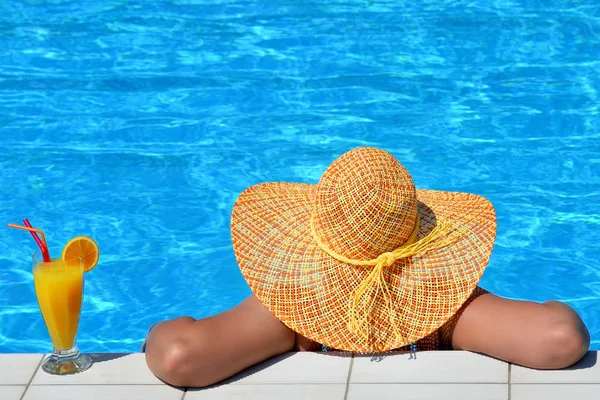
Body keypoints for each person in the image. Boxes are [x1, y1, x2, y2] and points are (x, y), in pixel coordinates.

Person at [143, 147, 590, 388]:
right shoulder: (447, 309)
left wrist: (158, 333)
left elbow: (179, 356)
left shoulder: (295, 307)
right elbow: (560, 338)